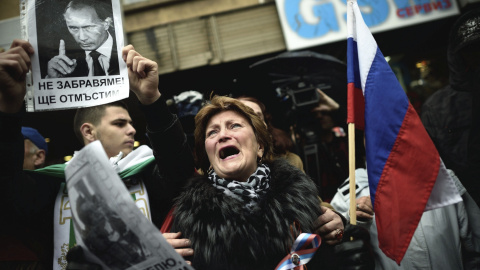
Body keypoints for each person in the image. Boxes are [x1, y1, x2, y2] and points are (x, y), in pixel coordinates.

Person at [0, 40, 194, 269]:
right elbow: (6, 187)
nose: (132, 130)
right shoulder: (50, 186)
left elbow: (179, 170)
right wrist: (8, 109)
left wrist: (152, 101)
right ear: (89, 132)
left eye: (131, 123)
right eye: (120, 123)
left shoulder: (150, 176)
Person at [172, 96, 345, 269]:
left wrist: (339, 223)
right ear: (209, 158)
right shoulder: (191, 218)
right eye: (212, 132)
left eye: (235, 126)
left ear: (260, 147)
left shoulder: (300, 198)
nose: (223, 135)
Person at [331, 168, 480, 269]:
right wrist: (352, 220)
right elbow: (333, 237)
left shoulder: (443, 178)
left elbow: (474, 248)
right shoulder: (355, 189)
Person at [421, 8, 480, 206]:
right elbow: (433, 166)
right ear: (459, 55)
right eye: (472, 50)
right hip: (470, 203)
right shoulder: (438, 107)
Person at [46, 0, 119, 78]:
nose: (82, 38)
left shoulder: (123, 48)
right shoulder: (64, 61)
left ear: (106, 24)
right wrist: (53, 79)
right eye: (73, 28)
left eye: (88, 27)